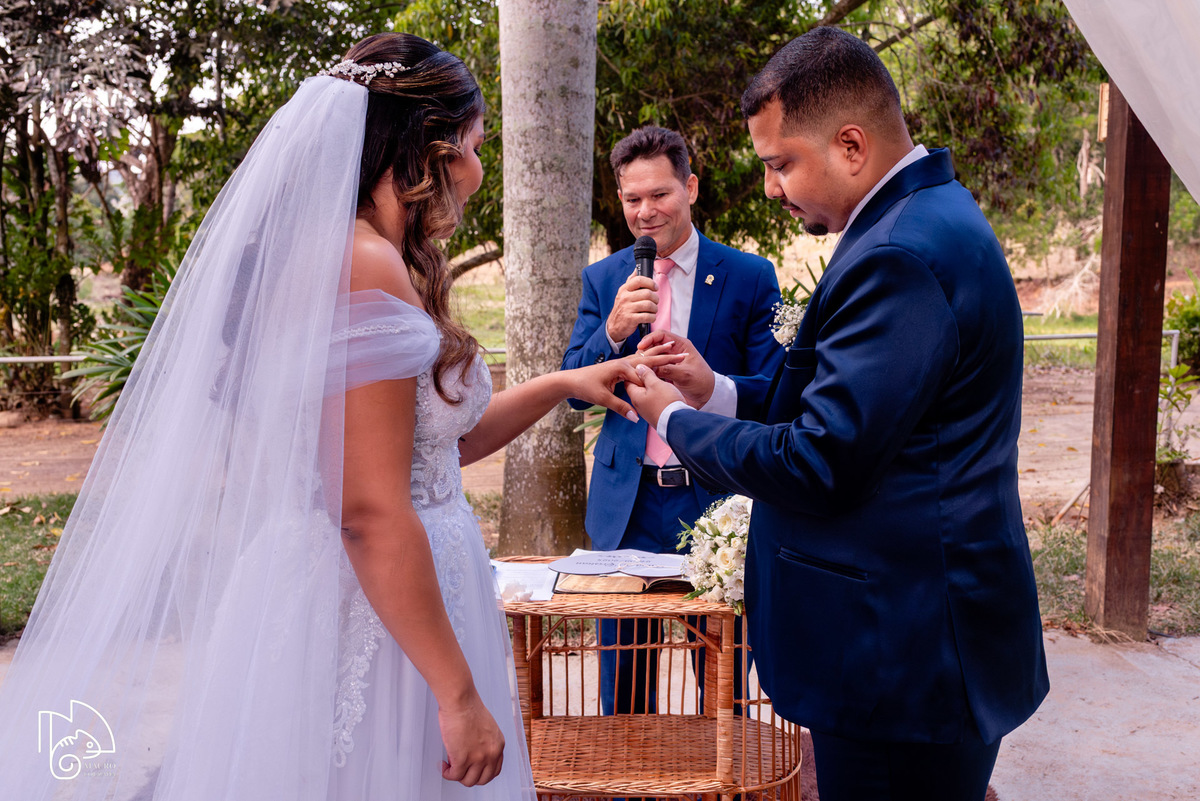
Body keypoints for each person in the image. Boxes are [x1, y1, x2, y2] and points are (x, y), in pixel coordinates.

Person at [0, 33, 665, 801]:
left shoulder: (358, 253)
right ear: (434, 148)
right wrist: (456, 692)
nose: (479, 173)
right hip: (373, 617)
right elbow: (369, 509)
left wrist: (566, 382)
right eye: (478, 146)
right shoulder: (364, 264)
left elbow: (433, 451)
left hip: (401, 591)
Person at [627, 27, 1049, 801]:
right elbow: (856, 404)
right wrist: (713, 388)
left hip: (901, 649)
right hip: (909, 632)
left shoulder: (900, 254)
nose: (770, 187)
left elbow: (823, 457)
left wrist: (675, 420)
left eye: (780, 162)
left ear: (851, 146)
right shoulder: (921, 218)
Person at [561, 126, 783, 716]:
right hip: (626, 506)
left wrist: (711, 387)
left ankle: (722, 767)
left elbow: (778, 395)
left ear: (691, 187)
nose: (645, 212)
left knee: (724, 690)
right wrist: (610, 334)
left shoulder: (749, 276)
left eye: (659, 194)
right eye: (633, 199)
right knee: (624, 690)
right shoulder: (604, 279)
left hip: (715, 501)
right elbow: (573, 392)